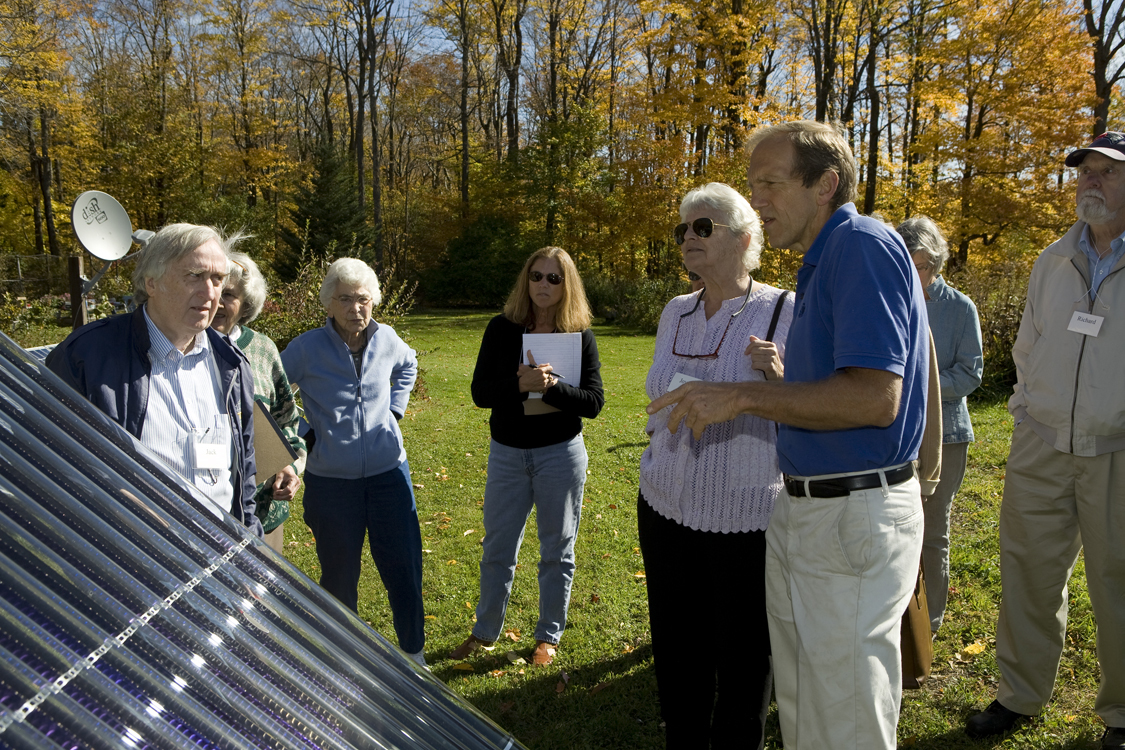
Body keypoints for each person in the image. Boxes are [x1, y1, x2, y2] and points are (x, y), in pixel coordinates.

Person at [647, 120, 929, 750]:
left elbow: (878, 398)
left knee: (845, 712)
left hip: (852, 512)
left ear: (826, 183)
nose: (758, 200)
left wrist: (741, 394)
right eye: (753, 186)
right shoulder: (823, 261)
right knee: (807, 708)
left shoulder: (860, 245)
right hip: (810, 509)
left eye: (770, 183)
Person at [964, 132, 1125, 749]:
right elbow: (1026, 346)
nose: (1091, 182)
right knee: (1027, 572)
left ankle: (1122, 713)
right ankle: (1020, 694)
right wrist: (1027, 410)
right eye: (1085, 171)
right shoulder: (1050, 260)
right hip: (1041, 446)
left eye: (1107, 173)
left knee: (1118, 581)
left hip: (1116, 451)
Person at [639, 183, 792, 749]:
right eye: (683, 229)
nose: (688, 238)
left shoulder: (782, 309)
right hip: (665, 504)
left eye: (702, 227)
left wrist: (780, 373)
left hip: (743, 517)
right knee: (678, 648)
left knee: (744, 656)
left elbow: (810, 405)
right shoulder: (674, 310)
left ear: (744, 238)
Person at [46, 224, 261, 536]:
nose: (210, 292)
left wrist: (249, 555)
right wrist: (124, 503)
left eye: (217, 279)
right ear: (152, 282)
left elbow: (245, 476)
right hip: (129, 558)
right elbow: (51, 458)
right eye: (195, 276)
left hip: (220, 556)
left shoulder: (231, 364)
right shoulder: (87, 356)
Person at [451, 246, 604, 667]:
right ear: (526, 280)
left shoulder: (578, 335)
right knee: (498, 547)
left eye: (554, 278)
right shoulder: (502, 329)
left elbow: (593, 402)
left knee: (557, 550)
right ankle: (484, 633)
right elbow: (481, 394)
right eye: (537, 276)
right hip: (508, 455)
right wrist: (520, 386)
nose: (543, 285)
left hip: (560, 455)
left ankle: (548, 636)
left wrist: (550, 387)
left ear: (566, 285)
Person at [280, 258, 425, 667]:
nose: (355, 308)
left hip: (389, 476)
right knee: (339, 576)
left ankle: (415, 654)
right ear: (328, 304)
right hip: (332, 484)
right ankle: (346, 659)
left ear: (373, 302)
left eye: (363, 299)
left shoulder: (388, 339)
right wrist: (305, 432)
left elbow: (408, 366)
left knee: (404, 568)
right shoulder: (306, 349)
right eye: (345, 299)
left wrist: (394, 410)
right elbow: (270, 389)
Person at [897, 216, 983, 634]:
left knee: (932, 529)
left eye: (923, 267)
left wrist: (920, 386)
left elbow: (970, 374)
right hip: (895, 433)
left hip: (946, 436)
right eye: (907, 264)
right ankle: (898, 616)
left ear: (938, 263)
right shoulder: (888, 299)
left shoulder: (960, 308)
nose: (916, 276)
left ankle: (928, 622)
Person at [211, 252, 306, 554]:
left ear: (245, 304)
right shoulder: (181, 349)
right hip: (203, 511)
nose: (217, 302)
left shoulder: (263, 349)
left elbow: (286, 419)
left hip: (264, 513)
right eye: (214, 290)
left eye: (229, 294)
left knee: (262, 595)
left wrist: (288, 468)